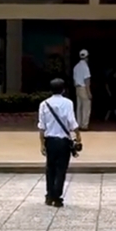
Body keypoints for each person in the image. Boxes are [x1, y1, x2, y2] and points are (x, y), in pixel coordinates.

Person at [38, 78, 82, 208]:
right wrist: (78, 135)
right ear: (63, 90)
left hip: (50, 140)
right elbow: (71, 121)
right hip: (63, 141)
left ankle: (49, 195)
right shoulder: (68, 103)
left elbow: (42, 126)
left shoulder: (44, 104)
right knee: (61, 169)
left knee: (50, 168)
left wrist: (41, 144)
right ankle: (57, 197)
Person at [72, 49, 92, 130]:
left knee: (79, 107)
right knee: (86, 107)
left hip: (77, 88)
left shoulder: (76, 67)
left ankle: (78, 123)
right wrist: (89, 92)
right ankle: (84, 125)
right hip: (84, 88)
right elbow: (87, 80)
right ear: (87, 57)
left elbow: (74, 80)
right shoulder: (85, 67)